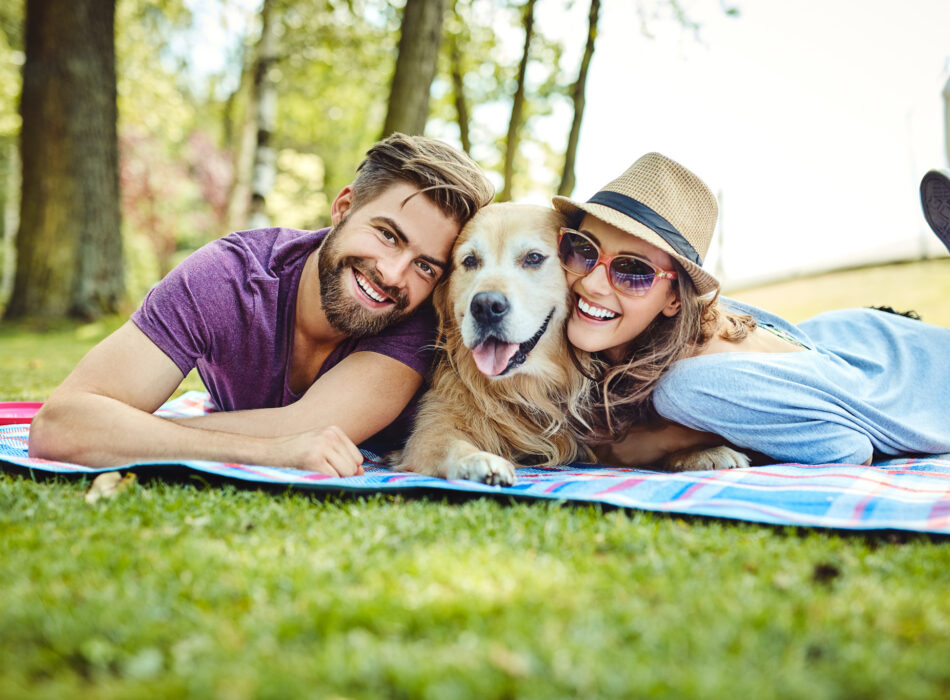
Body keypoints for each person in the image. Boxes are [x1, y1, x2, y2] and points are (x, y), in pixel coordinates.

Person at [29, 133, 495, 475]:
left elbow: (309, 428)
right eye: (388, 235)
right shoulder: (227, 278)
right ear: (343, 208)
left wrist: (131, 432)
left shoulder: (416, 317)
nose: (393, 275)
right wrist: (268, 451)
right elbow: (60, 427)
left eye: (425, 265)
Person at [551, 152, 950, 466]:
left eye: (634, 271)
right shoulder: (663, 331)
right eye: (582, 249)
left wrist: (666, 440)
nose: (592, 282)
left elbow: (848, 449)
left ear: (676, 299)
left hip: (913, 380)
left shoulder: (688, 388)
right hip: (846, 338)